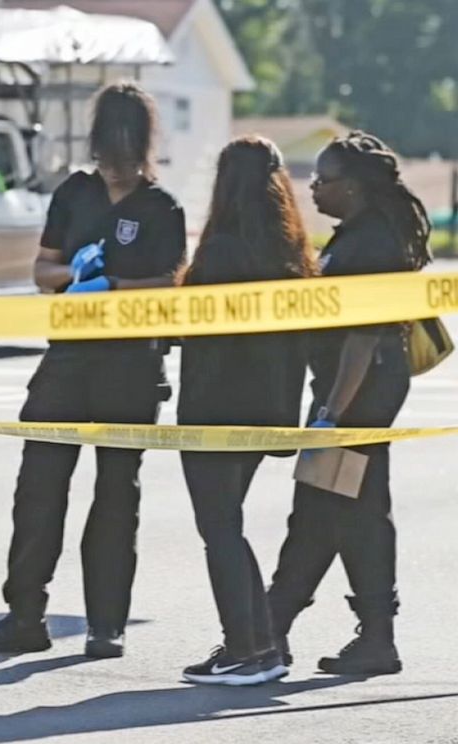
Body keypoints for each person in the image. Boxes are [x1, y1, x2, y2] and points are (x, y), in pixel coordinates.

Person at [0, 82, 186, 659]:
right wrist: (71, 275)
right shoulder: (74, 194)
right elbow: (42, 270)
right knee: (38, 489)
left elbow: (172, 285)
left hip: (132, 365)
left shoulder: (162, 207)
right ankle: (24, 616)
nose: (114, 157)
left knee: (116, 495)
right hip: (66, 359)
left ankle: (105, 624)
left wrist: (115, 284)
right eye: (106, 143)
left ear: (142, 143)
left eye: (125, 142)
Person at [267, 131, 432, 676]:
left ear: (355, 188)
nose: (312, 188)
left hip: (359, 390)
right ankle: (304, 629)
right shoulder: (356, 236)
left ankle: (273, 628)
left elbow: (362, 338)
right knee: (345, 510)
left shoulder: (369, 245)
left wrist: (331, 412)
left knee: (330, 509)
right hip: (355, 387)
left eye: (323, 180)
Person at [176, 136, 314, 685]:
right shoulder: (289, 253)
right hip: (268, 408)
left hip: (215, 408)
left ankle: (247, 650)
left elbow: (195, 327)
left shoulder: (223, 251)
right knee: (227, 525)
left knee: (220, 528)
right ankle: (262, 645)